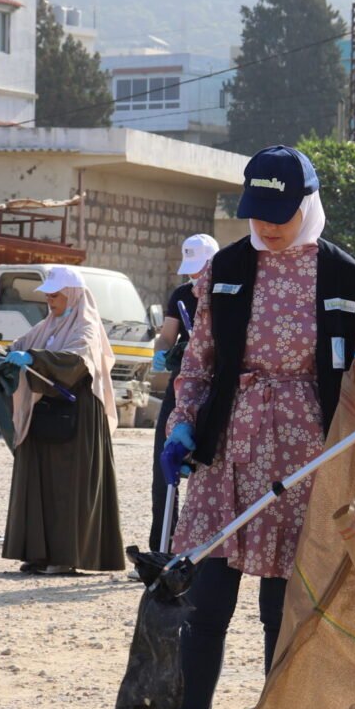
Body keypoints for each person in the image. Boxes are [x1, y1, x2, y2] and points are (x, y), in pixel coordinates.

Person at [138, 145, 355, 709]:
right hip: (228, 450)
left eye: (281, 212)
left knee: (283, 611)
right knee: (205, 606)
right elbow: (197, 362)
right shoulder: (224, 270)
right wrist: (182, 423)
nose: (269, 225)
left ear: (306, 204)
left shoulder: (344, 278)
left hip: (302, 455)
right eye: (257, 212)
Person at [0, 265, 124, 576]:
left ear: (73, 295)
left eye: (56, 295)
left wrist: (38, 359)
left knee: (68, 485)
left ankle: (67, 556)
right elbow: (19, 349)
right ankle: (39, 554)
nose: (50, 300)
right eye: (47, 295)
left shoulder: (85, 326)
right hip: (47, 414)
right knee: (39, 479)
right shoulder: (48, 325)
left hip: (79, 417)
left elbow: (77, 361)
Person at [147, 233, 219, 555]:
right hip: (181, 386)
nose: (194, 276)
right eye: (190, 268)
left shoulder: (227, 293)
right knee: (164, 464)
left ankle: (207, 549)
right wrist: (161, 352)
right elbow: (166, 336)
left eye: (199, 268)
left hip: (217, 386)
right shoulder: (180, 294)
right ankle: (163, 548)